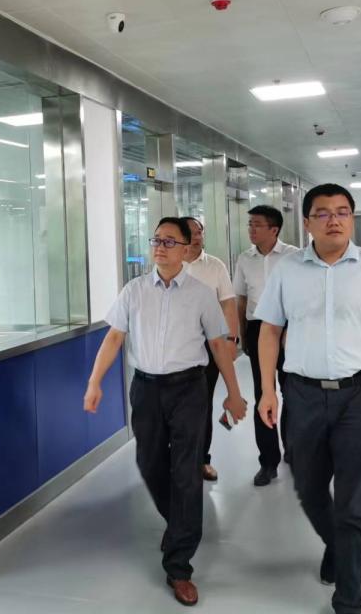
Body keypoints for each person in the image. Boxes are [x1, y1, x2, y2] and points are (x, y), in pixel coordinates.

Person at [255, 184, 361, 614]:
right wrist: (268, 390)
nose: (334, 220)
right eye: (323, 213)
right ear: (307, 222)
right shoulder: (287, 270)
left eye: (343, 212)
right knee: (308, 488)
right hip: (302, 394)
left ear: (352, 219)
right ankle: (337, 545)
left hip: (360, 395)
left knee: (352, 498)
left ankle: (349, 599)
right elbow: (269, 331)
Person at [84, 217, 247, 607]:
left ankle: (179, 566)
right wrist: (94, 382)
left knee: (186, 470)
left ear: (186, 249)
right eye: (156, 239)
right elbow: (114, 337)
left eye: (170, 241)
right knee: (149, 462)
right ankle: (179, 523)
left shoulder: (201, 294)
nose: (160, 246)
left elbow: (218, 344)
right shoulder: (134, 290)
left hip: (189, 387)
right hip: (146, 388)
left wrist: (234, 392)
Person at [232, 205, 298, 486]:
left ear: (274, 229)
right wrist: (242, 334)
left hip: (290, 329)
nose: (251, 229)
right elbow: (241, 298)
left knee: (293, 392)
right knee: (263, 393)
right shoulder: (244, 259)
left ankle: (293, 448)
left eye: (257, 224)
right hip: (258, 328)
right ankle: (268, 461)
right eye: (249, 224)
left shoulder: (294, 256)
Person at [179, 216, 241, 482]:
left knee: (202, 403)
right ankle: (177, 460)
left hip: (210, 344)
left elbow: (228, 304)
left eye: (199, 232)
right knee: (176, 406)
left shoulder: (215, 266)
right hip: (176, 346)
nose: (196, 237)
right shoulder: (171, 264)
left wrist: (232, 340)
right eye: (190, 232)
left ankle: (202, 460)